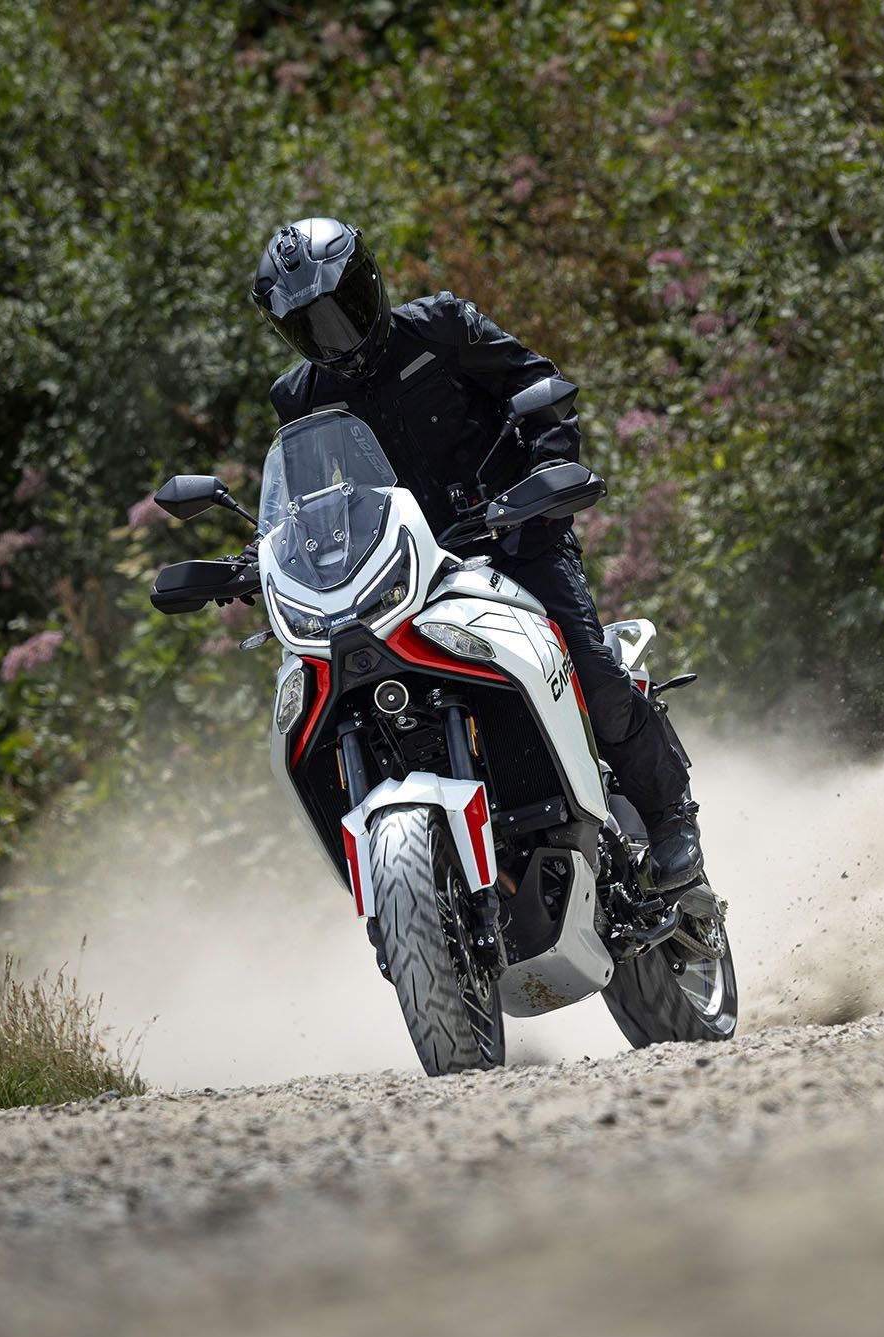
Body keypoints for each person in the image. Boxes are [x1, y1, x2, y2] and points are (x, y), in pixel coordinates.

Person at [250, 216, 702, 891]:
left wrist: (543, 480)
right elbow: (305, 509)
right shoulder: (301, 398)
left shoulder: (442, 328)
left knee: (591, 674)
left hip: (513, 539)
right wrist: (261, 562)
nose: (332, 336)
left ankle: (670, 818)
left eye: (339, 311)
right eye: (309, 326)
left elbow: (540, 391)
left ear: (368, 283)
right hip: (400, 572)